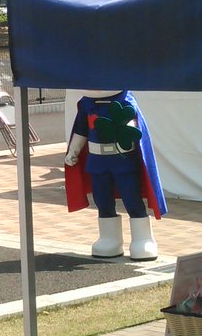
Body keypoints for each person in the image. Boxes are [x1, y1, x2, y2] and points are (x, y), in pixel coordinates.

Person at [64, 90, 168, 261]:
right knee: (102, 200)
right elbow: (81, 130)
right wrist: (73, 151)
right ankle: (109, 239)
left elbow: (135, 128)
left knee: (132, 198)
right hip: (97, 161)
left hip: (123, 160)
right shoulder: (86, 103)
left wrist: (126, 127)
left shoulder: (126, 100)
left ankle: (143, 238)